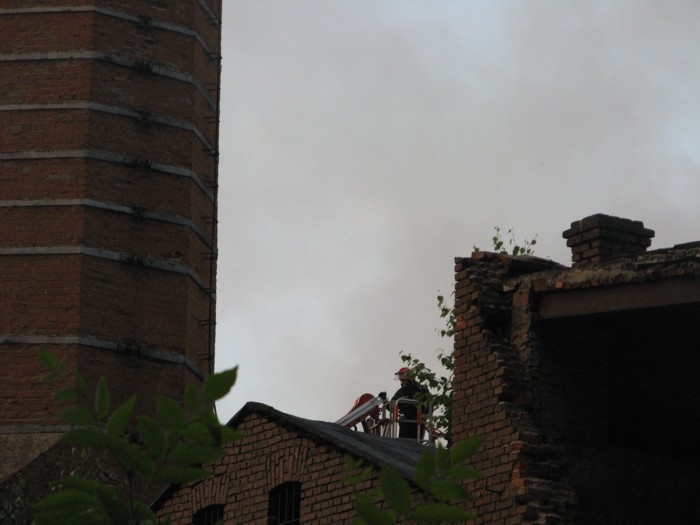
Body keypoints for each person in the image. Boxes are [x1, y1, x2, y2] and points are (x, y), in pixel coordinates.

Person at [391, 367, 428, 440]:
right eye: (401, 380)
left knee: (416, 443)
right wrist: (390, 404)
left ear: (410, 379)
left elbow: (430, 403)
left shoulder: (421, 389)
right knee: (403, 443)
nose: (403, 382)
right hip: (404, 422)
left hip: (417, 422)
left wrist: (425, 416)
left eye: (404, 380)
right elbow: (392, 404)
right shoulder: (400, 392)